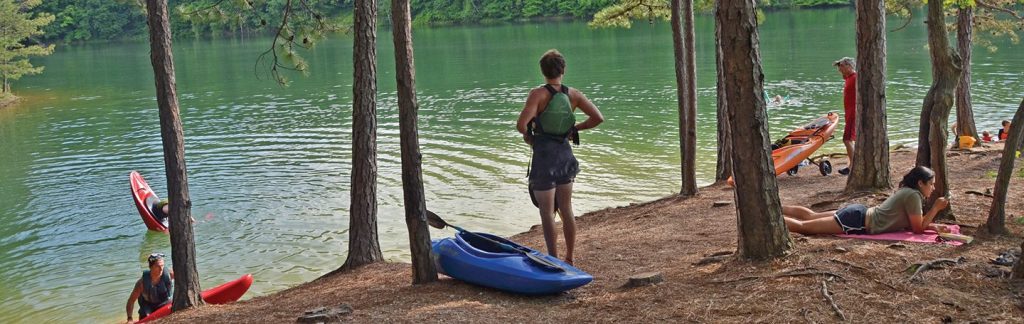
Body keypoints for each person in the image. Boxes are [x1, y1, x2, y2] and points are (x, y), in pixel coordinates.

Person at [517, 49, 604, 265]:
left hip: (544, 157)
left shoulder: (537, 94)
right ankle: (570, 258)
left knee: (547, 213)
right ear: (563, 70)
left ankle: (553, 258)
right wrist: (575, 129)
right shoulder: (573, 94)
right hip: (565, 157)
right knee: (566, 209)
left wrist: (530, 136)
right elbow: (597, 118)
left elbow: (521, 126)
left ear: (543, 71)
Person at [782, 166, 950, 235]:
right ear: (920, 183)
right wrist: (935, 208)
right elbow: (917, 229)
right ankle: (767, 218)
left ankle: (776, 208)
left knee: (811, 216)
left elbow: (912, 223)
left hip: (858, 213)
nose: (933, 188)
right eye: (931, 184)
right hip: (857, 221)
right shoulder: (913, 196)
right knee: (804, 227)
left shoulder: (908, 192)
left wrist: (935, 226)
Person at [125, 253, 174, 323]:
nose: (161, 269)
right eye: (158, 266)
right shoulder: (141, 283)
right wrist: (130, 319)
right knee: (145, 316)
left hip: (165, 303)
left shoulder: (170, 274)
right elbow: (131, 301)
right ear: (151, 267)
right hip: (148, 306)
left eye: (162, 266)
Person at [834, 57, 857, 175]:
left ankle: (853, 167)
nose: (839, 69)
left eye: (841, 66)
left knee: (847, 139)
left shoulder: (856, 77)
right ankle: (851, 164)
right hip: (849, 114)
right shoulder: (848, 78)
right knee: (851, 139)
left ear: (849, 66)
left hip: (854, 113)